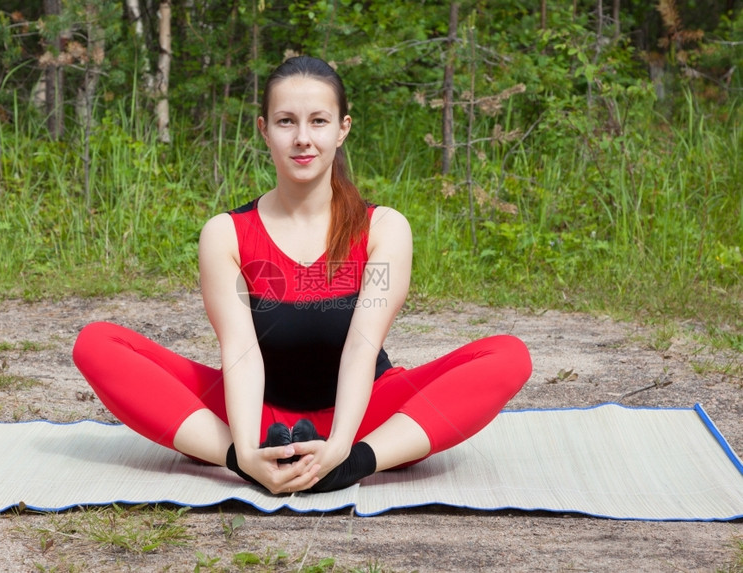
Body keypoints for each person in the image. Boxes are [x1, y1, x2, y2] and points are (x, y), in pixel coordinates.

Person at [72, 55, 532, 495]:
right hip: (257, 414)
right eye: (286, 121)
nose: (302, 138)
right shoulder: (226, 234)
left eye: (318, 121)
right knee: (96, 343)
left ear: (342, 129)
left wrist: (343, 453)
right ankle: (244, 459)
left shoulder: (383, 228)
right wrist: (246, 453)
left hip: (368, 413)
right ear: (264, 130)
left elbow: (361, 346)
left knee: (508, 355)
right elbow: (240, 352)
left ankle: (358, 461)